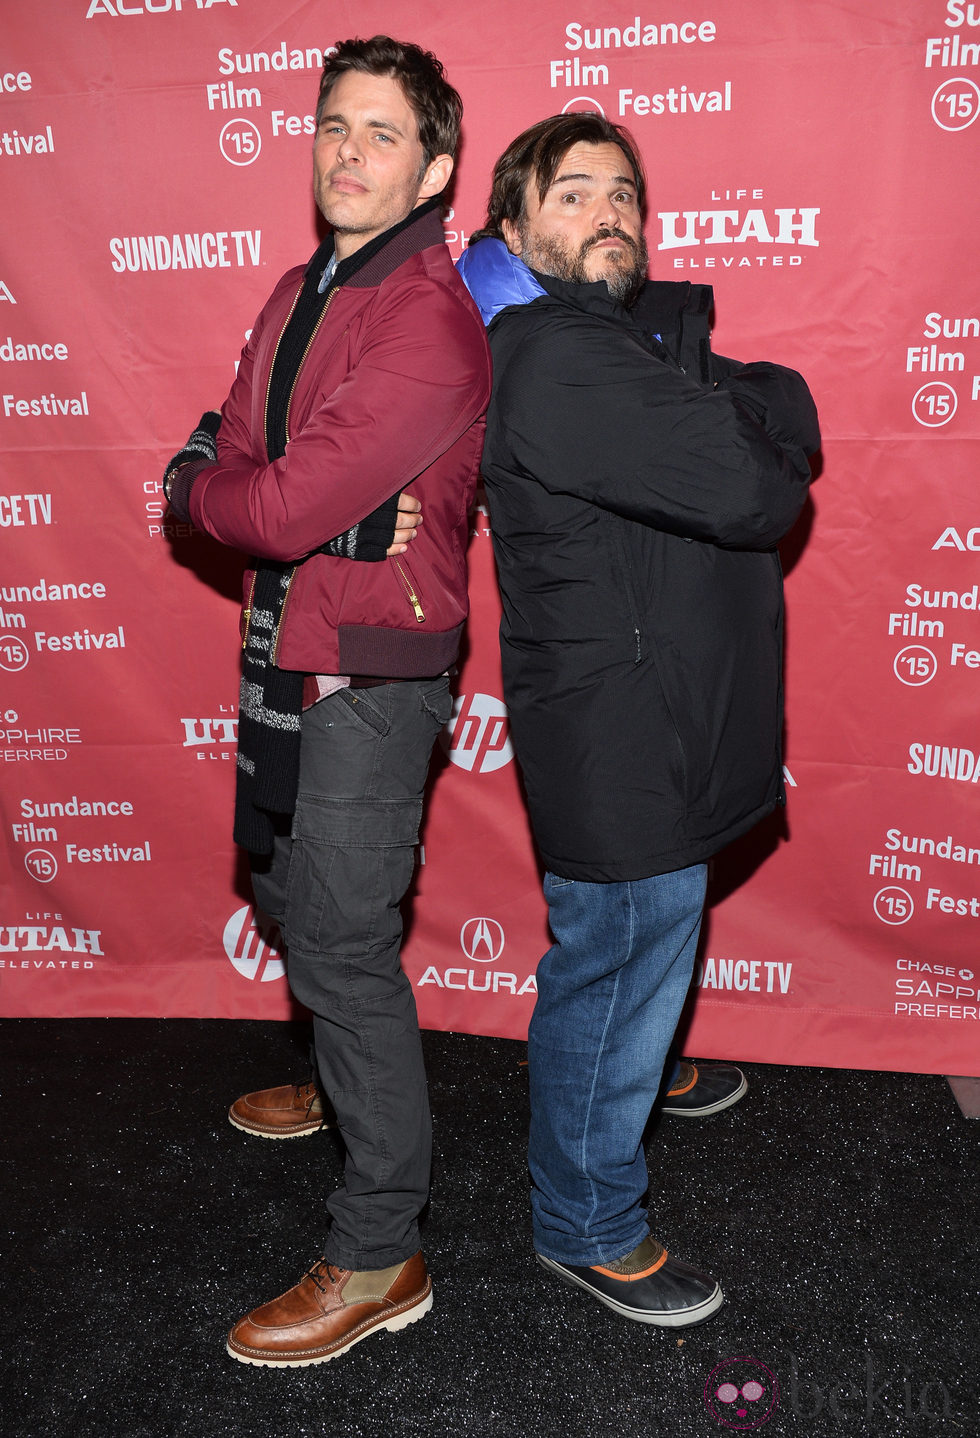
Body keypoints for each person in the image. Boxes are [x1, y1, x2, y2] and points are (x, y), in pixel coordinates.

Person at [456, 113, 819, 1328]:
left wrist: (726, 401)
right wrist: (729, 410)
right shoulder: (553, 352)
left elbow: (778, 403)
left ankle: (637, 1069)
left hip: (650, 701)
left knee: (638, 947)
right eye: (572, 197)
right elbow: (753, 480)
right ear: (512, 227)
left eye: (625, 197)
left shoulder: (610, 346)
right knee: (615, 951)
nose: (608, 214)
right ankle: (584, 1219)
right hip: (617, 724)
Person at [163, 36, 491, 1366]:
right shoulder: (304, 285)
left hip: (366, 669)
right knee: (298, 893)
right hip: (288, 638)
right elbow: (232, 454)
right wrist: (229, 489)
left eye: (382, 132)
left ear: (438, 165)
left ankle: (379, 1245)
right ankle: (350, 1090)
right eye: (332, 126)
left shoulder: (425, 314)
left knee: (343, 938)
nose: (349, 153)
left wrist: (218, 495)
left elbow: (274, 496)